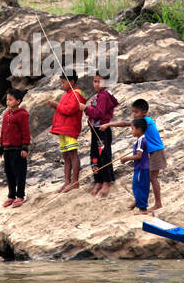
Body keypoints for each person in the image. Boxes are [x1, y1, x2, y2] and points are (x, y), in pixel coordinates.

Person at [49, 72, 87, 194]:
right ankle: (67, 181)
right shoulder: (67, 94)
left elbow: (69, 110)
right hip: (63, 129)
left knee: (73, 153)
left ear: (71, 82)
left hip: (70, 128)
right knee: (66, 156)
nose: (62, 85)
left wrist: (56, 105)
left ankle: (75, 181)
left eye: (64, 82)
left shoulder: (76, 94)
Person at [84, 70, 119, 198]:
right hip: (95, 130)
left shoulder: (104, 96)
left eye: (99, 81)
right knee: (94, 155)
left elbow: (98, 113)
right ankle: (98, 180)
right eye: (95, 81)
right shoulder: (97, 96)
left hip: (103, 130)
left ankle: (107, 181)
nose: (96, 84)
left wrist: (86, 109)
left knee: (104, 155)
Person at [0, 87, 31, 208]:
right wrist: (1, 146)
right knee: (9, 173)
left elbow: (26, 132)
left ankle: (20, 196)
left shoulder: (22, 115)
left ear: (18, 101)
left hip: (17, 149)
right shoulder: (6, 114)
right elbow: (3, 131)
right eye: (7, 100)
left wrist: (25, 147)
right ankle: (11, 195)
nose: (8, 102)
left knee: (19, 173)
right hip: (7, 148)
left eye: (10, 100)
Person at [119, 117, 151, 213]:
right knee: (140, 186)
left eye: (132, 128)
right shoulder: (141, 140)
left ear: (139, 129)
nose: (131, 131)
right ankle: (138, 202)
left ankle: (142, 208)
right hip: (143, 168)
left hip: (141, 168)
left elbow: (138, 156)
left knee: (137, 186)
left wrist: (126, 159)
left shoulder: (141, 140)